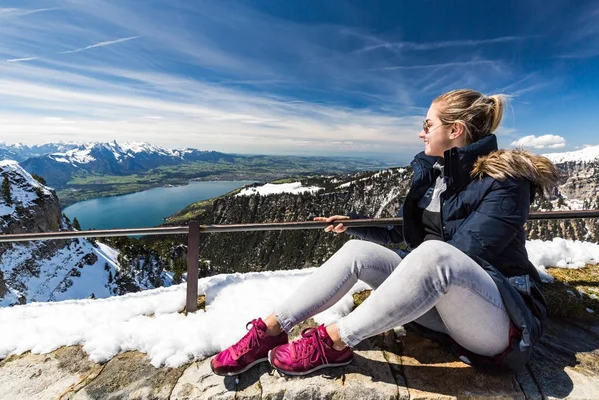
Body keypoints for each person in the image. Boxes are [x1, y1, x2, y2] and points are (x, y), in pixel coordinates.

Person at [210, 89, 559, 377]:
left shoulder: (505, 182)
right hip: (438, 307)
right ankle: (270, 330)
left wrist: (414, 263)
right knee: (356, 251)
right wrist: (358, 223)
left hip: (500, 324)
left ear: (455, 130)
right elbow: (407, 232)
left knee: (435, 255)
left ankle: (334, 341)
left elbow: (463, 253)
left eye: (428, 125)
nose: (422, 133)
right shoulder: (438, 175)